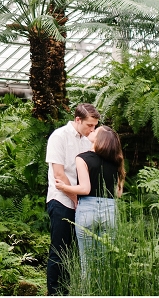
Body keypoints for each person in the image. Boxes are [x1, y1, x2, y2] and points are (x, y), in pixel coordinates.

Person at [45, 103, 100, 295]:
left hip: (82, 203)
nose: (93, 130)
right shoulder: (59, 137)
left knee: (75, 254)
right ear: (78, 120)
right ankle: (54, 293)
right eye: (90, 125)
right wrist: (75, 198)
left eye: (95, 126)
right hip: (61, 200)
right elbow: (59, 174)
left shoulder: (88, 141)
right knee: (59, 252)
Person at [55, 125, 125, 275]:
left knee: (87, 263)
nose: (92, 131)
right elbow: (118, 193)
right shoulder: (116, 161)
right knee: (104, 263)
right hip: (109, 210)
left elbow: (85, 189)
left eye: (96, 131)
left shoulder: (82, 158)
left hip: (88, 209)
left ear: (100, 139)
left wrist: (63, 187)